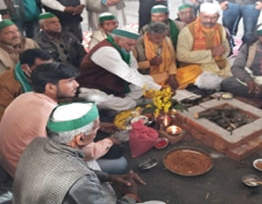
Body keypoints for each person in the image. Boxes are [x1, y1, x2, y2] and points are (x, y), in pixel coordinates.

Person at [0, 62, 126, 178]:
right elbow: (84, 152)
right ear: (50, 87)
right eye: (70, 81)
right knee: (121, 163)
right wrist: (109, 141)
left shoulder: (25, 97)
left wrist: (97, 126)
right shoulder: (50, 112)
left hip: (12, 165)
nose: (76, 84)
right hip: (36, 176)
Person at [13, 102, 150, 204]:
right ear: (80, 138)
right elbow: (77, 177)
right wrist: (131, 196)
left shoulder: (38, 143)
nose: (98, 132)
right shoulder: (79, 179)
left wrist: (109, 177)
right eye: (96, 128)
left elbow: (76, 172)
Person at [77, 27, 161, 112]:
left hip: (113, 85)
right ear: (117, 40)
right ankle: (134, 103)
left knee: (148, 79)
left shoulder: (124, 49)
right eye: (129, 45)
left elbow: (133, 69)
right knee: (101, 100)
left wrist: (152, 86)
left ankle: (126, 101)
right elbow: (128, 75)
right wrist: (158, 89)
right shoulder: (106, 51)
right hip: (93, 88)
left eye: (134, 45)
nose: (132, 48)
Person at [177, 3, 231, 79]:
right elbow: (181, 56)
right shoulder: (188, 31)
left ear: (218, 17)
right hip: (196, 68)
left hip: (217, 64)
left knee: (239, 70)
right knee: (208, 82)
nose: (209, 20)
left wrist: (222, 52)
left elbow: (226, 49)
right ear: (199, 15)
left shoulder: (220, 28)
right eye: (205, 17)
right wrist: (211, 53)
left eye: (213, 18)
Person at [0, 48, 52, 120]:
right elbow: (4, 115)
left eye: (50, 67)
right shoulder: (5, 84)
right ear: (25, 68)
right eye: (43, 68)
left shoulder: (53, 72)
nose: (49, 72)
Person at [133, 22, 178, 89]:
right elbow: (133, 66)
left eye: (163, 37)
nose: (161, 40)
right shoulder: (137, 43)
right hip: (149, 76)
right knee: (145, 83)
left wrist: (172, 76)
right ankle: (159, 87)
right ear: (149, 34)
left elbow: (171, 60)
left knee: (195, 69)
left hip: (166, 74)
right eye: (157, 38)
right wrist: (149, 63)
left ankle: (163, 86)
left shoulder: (167, 40)